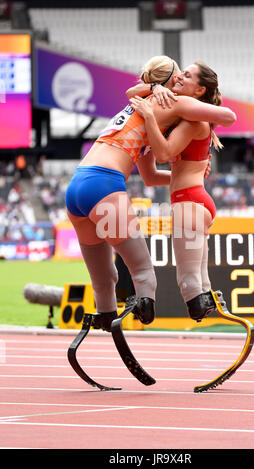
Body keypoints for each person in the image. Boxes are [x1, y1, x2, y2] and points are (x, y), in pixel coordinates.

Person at [65, 55, 236, 331]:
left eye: (186, 76)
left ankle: (106, 317)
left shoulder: (141, 103)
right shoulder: (176, 103)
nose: (180, 78)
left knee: (104, 277)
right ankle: (143, 312)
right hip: (104, 184)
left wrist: (179, 172)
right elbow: (226, 117)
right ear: (167, 81)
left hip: (77, 186)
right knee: (143, 273)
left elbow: (149, 174)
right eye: (179, 74)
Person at [129, 59, 228, 322]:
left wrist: (149, 118)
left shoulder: (194, 122)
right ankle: (220, 328)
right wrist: (155, 88)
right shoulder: (190, 118)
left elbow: (163, 152)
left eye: (187, 75)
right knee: (201, 282)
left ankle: (224, 332)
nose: (180, 77)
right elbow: (151, 177)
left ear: (200, 91)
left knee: (189, 283)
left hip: (189, 204)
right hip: (196, 201)